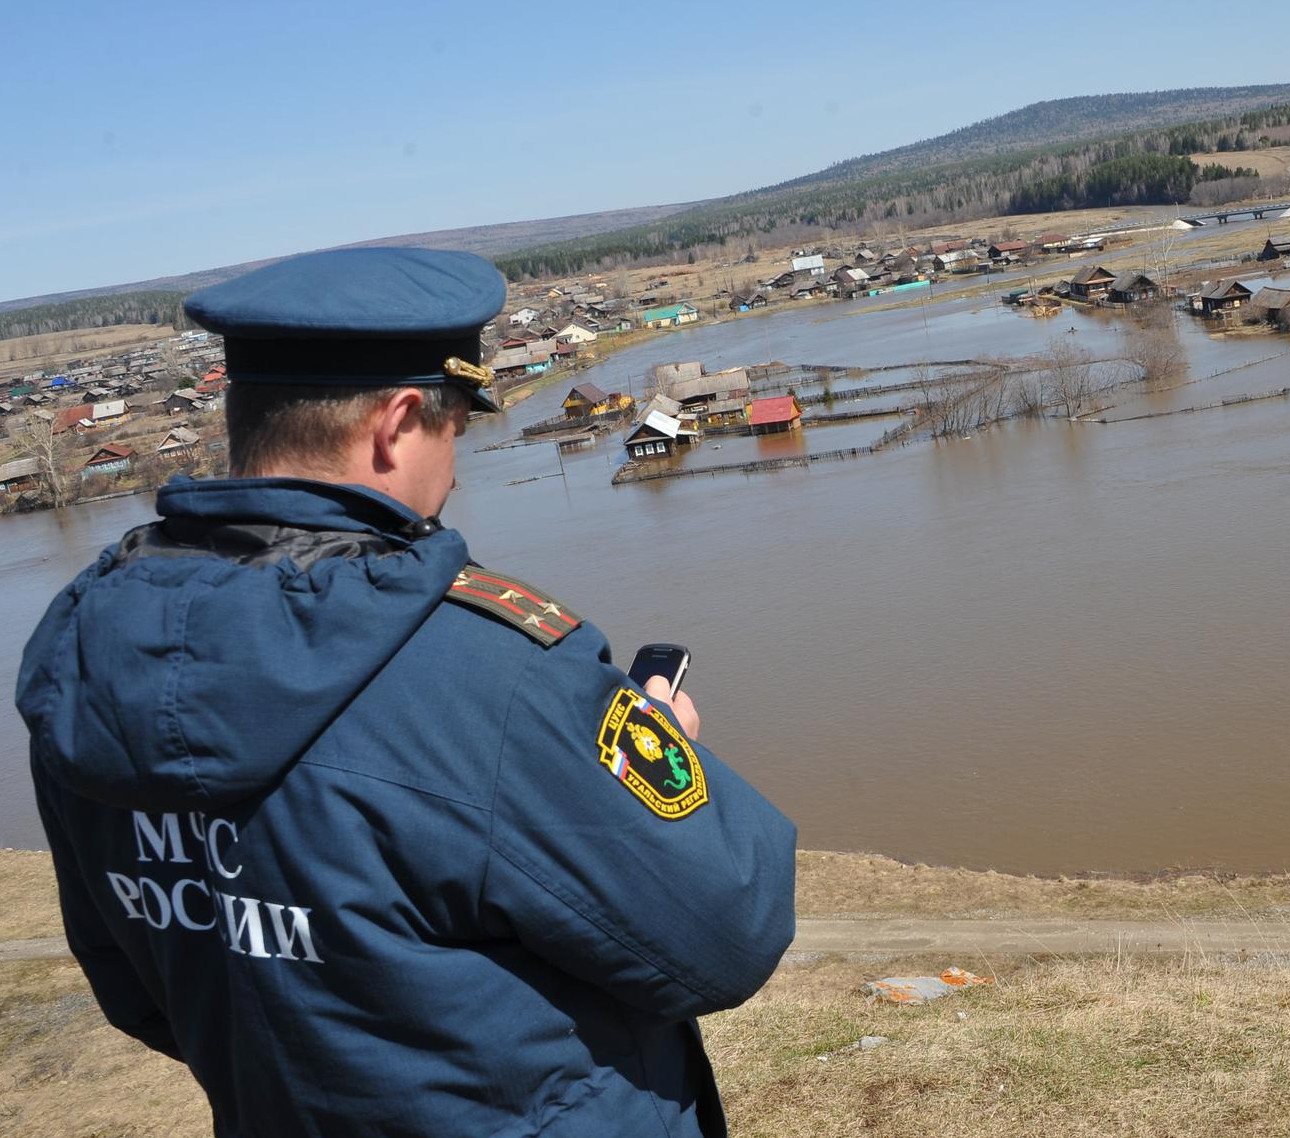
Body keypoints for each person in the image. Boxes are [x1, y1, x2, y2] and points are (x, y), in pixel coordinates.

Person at [16, 248, 797, 1137]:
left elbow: (141, 991)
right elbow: (731, 929)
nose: (456, 468)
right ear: (394, 425)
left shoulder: (89, 659)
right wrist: (664, 750)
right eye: (455, 426)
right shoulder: (486, 672)